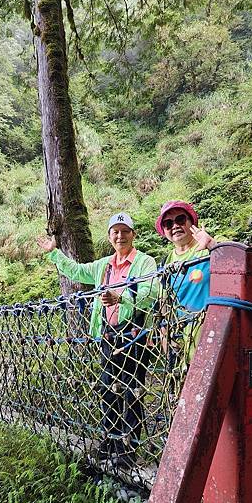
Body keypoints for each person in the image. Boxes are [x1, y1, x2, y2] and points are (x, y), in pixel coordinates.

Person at [37, 213, 158, 468]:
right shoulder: (104, 265)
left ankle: (128, 450)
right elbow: (78, 271)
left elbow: (150, 294)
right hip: (108, 337)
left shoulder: (145, 263)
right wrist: (54, 253)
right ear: (109, 236)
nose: (120, 236)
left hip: (133, 336)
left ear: (133, 235)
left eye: (125, 231)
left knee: (131, 392)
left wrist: (120, 297)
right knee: (107, 389)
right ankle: (111, 440)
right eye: (115, 231)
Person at [155, 200, 217, 365]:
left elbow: (238, 260)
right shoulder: (165, 262)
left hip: (217, 329)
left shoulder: (211, 243)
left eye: (180, 220)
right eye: (168, 223)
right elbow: (164, 305)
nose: (175, 226)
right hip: (186, 336)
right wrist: (166, 339)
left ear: (191, 222)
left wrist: (212, 244)